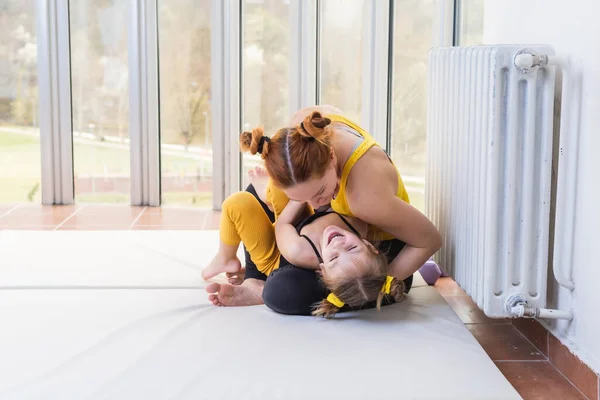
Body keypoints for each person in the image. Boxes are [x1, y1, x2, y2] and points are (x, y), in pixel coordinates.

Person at [234, 106, 441, 313]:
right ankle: (254, 277)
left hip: (374, 255)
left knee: (283, 290)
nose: (314, 205)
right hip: (345, 229)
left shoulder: (364, 197)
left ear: (332, 157)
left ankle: (268, 284)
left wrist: (376, 283)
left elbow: (430, 240)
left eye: (320, 191)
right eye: (303, 198)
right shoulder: (310, 127)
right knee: (255, 191)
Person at [203, 170, 409, 317]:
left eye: (334, 257)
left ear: (322, 271)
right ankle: (237, 260)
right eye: (352, 247)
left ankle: (229, 260)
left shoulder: (300, 250)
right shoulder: (360, 223)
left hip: (276, 254)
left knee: (237, 203)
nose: (338, 245)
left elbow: (283, 224)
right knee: (286, 184)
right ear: (369, 245)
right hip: (301, 226)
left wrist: (300, 196)